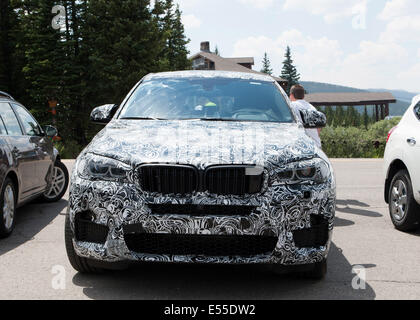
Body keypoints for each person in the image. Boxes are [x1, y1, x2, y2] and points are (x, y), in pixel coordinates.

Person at [289, 84, 322, 148]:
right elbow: (318, 128)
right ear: (303, 96)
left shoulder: (291, 106)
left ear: (291, 95)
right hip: (316, 145)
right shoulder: (312, 108)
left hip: (301, 147)